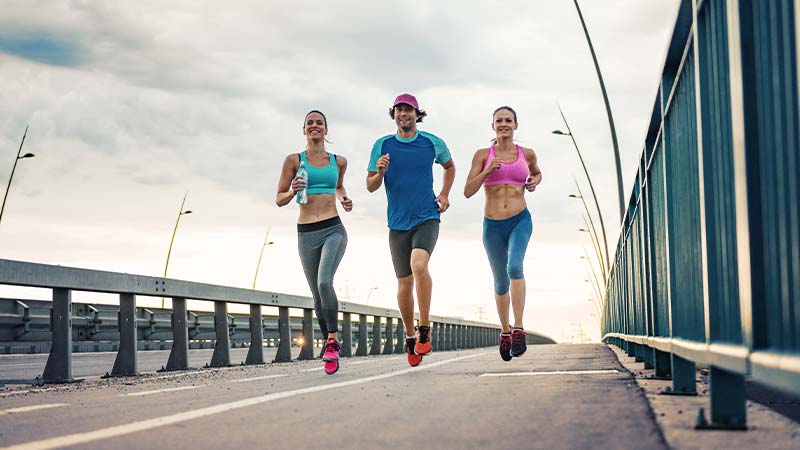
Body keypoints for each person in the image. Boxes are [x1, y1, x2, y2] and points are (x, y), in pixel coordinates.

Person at [367, 93, 455, 367]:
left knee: (419, 265)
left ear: (418, 114)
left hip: (427, 216)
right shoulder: (382, 145)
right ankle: (409, 336)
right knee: (404, 283)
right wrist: (379, 172)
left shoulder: (432, 142)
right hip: (397, 224)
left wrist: (444, 194)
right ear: (394, 114)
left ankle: (425, 328)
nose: (404, 114)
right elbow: (370, 186)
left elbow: (449, 166)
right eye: (399, 110)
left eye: (409, 110)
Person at [276, 110, 353, 375]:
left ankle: (332, 339)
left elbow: (339, 186)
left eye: (319, 122)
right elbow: (279, 198)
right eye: (310, 123)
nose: (315, 126)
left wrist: (344, 198)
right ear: (304, 129)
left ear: (326, 129)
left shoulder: (338, 161)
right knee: (316, 294)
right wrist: (292, 191)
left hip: (333, 228)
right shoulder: (293, 160)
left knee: (324, 282)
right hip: (306, 232)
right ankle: (330, 346)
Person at [463, 106, 542, 361]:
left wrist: (534, 181)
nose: (504, 124)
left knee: (515, 267)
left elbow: (537, 172)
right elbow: (467, 191)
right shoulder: (482, 155)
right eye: (499, 120)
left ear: (516, 125)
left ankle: (519, 328)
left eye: (509, 120)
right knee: (500, 282)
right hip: (493, 225)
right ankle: (505, 331)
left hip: (520, 220)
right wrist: (487, 171)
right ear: (493, 126)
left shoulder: (526, 153)